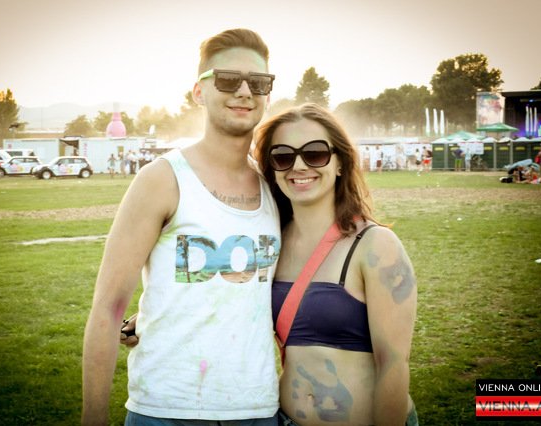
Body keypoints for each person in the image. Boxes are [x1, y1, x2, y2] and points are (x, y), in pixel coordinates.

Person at [83, 28, 280, 426]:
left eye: (258, 82)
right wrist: (93, 417)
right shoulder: (161, 179)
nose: (244, 91)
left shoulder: (275, 185)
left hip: (258, 410)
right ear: (198, 92)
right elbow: (108, 307)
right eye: (228, 79)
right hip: (166, 410)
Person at [253, 103, 418, 426]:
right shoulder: (270, 245)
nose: (298, 166)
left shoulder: (374, 244)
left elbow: (393, 364)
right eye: (283, 156)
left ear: (340, 162)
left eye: (314, 153)